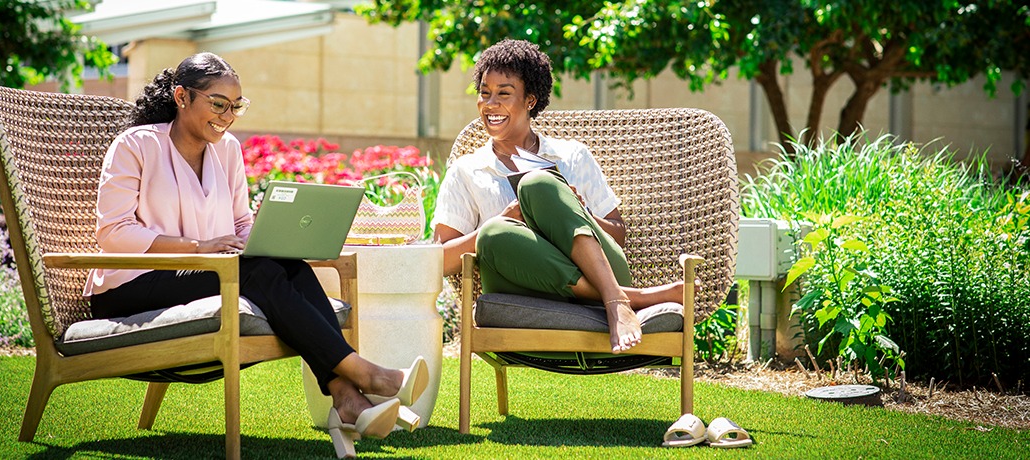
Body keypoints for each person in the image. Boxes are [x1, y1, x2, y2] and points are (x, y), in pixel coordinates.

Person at [82, 52, 426, 457]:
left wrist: (261, 239)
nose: (227, 116)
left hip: (206, 271)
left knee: (285, 264)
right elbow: (114, 233)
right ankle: (366, 376)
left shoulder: (226, 149)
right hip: (130, 284)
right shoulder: (136, 145)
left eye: (236, 106)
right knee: (256, 272)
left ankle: (346, 397)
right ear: (181, 96)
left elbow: (241, 221)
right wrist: (198, 248)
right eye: (218, 103)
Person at [432, 39, 688, 354]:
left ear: (530, 100)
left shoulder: (572, 156)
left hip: (602, 273)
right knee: (494, 233)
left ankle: (613, 295)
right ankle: (629, 299)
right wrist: (504, 221)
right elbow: (439, 260)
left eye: (504, 93)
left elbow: (617, 236)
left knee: (539, 184)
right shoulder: (467, 170)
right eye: (484, 93)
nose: (490, 104)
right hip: (520, 287)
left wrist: (577, 211)